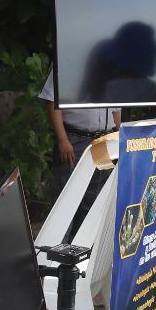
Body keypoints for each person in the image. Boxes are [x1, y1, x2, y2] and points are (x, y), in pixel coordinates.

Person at [38, 62, 119, 207]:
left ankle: (85, 230)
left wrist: (120, 136)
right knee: (66, 200)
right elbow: (52, 101)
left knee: (94, 200)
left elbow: (117, 108)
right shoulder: (66, 61)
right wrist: (62, 140)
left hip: (105, 141)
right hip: (74, 140)